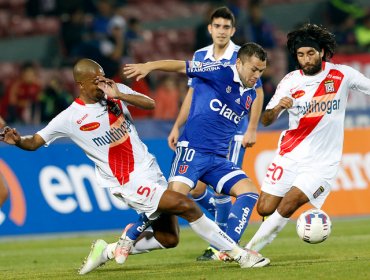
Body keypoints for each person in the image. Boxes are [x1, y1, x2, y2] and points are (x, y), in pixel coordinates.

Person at [0, 58, 270, 274]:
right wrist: (17, 141)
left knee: (169, 239)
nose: (101, 82)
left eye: (103, 76)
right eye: (95, 80)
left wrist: (120, 93)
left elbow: (150, 104)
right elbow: (35, 141)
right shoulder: (70, 117)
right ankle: (239, 255)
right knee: (186, 204)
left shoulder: (114, 92)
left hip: (150, 169)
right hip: (128, 181)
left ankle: (107, 250)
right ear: (80, 84)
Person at [122, 42, 267, 264]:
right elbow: (182, 67)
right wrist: (150, 66)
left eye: (261, 71)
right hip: (193, 152)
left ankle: (229, 248)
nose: (256, 75)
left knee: (249, 192)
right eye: (253, 69)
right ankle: (130, 235)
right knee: (173, 200)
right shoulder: (220, 70)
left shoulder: (249, 94)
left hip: (218, 159)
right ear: (239, 62)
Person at [245, 23, 370, 254]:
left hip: (323, 162)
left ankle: (250, 250)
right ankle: (261, 235)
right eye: (301, 55)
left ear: (321, 52)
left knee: (290, 202)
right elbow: (266, 120)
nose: (306, 59)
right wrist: (278, 107)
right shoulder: (291, 81)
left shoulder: (341, 74)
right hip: (290, 154)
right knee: (264, 208)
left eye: (310, 53)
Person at [167, 6, 265, 261]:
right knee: (198, 190)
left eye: (226, 27)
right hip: (199, 136)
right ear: (210, 29)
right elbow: (193, 93)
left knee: (223, 191)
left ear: (233, 30)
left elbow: (258, 93)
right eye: (217, 26)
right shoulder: (200, 54)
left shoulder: (242, 56)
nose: (221, 31)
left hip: (232, 134)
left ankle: (222, 246)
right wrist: (178, 124)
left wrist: (252, 128)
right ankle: (223, 234)